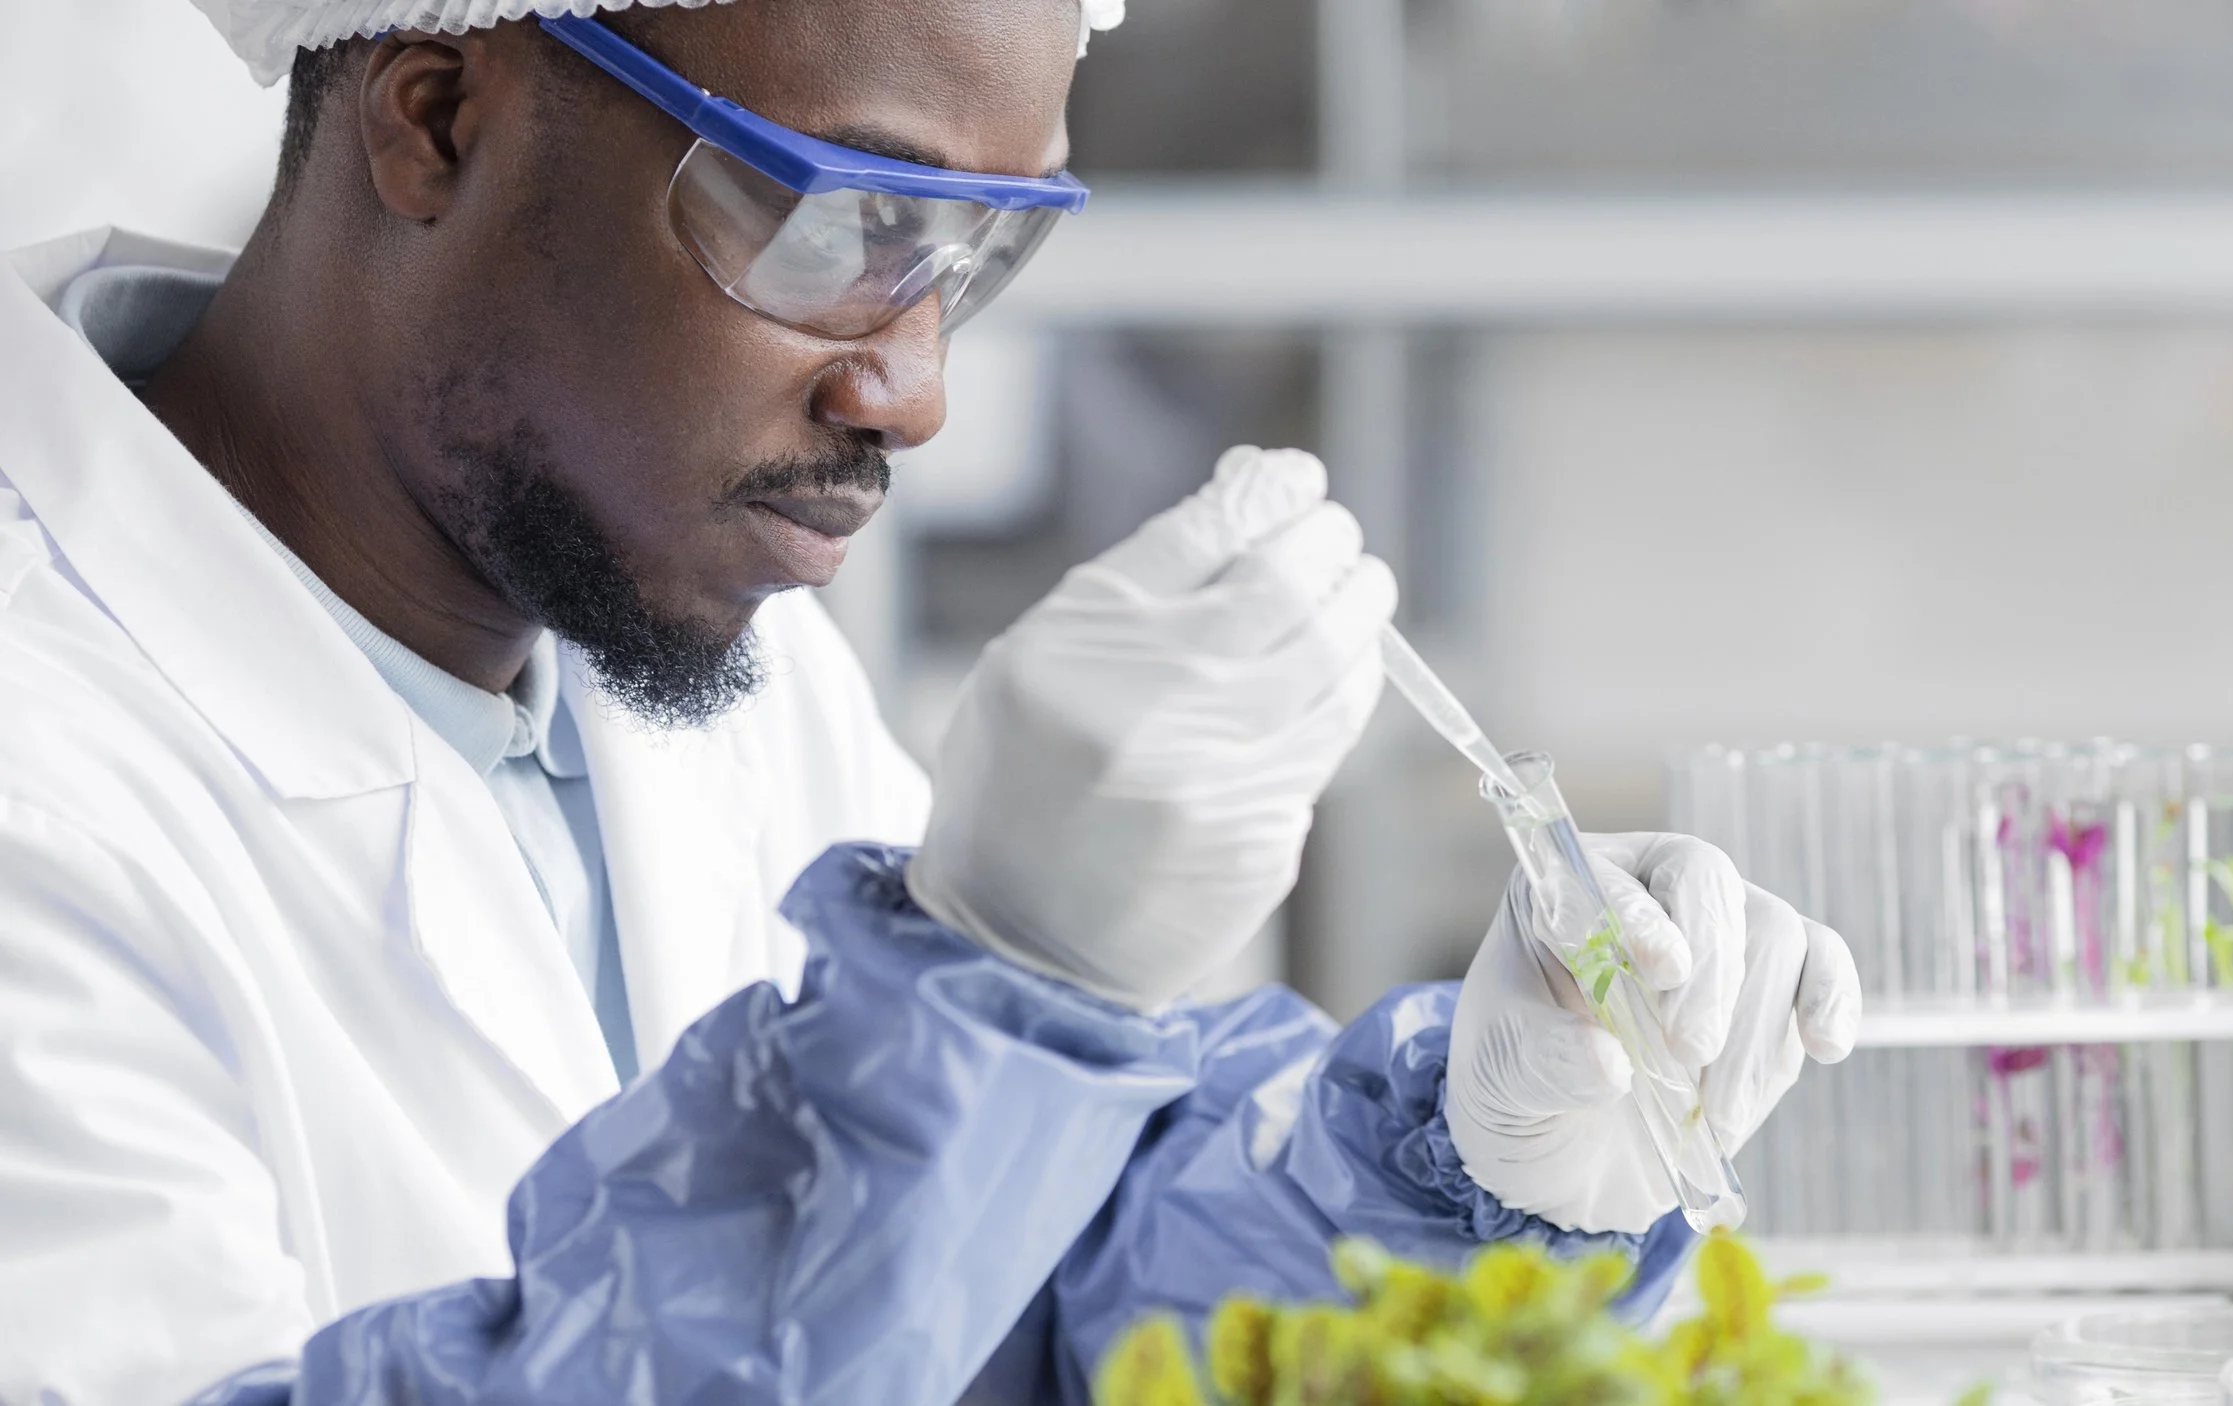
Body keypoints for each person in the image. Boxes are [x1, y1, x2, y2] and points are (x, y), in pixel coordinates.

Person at [0, 0, 1863, 1402]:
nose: (912, 391)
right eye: (834, 229)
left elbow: (1027, 1308)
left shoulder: (690, 663)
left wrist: (1458, 1166)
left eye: (972, 253)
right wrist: (990, 986)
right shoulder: (45, 775)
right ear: (435, 116)